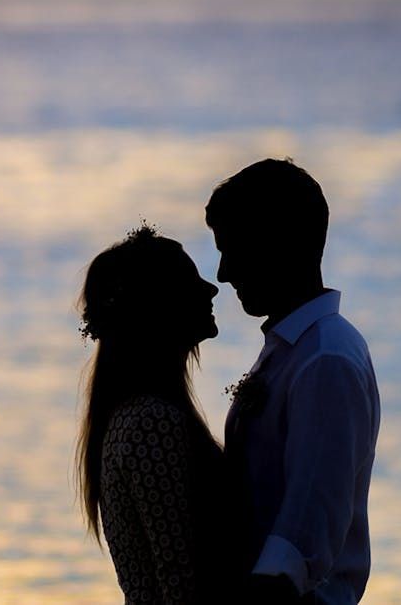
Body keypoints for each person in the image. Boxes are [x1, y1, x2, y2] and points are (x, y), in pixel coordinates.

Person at [206, 159, 381, 604]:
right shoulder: (296, 348)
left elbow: (306, 530)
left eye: (234, 249)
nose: (223, 274)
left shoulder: (325, 360)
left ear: (277, 244)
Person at [76, 225, 239, 604]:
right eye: (190, 280)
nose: (211, 288)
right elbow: (179, 575)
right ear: (159, 305)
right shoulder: (151, 422)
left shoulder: (132, 417)